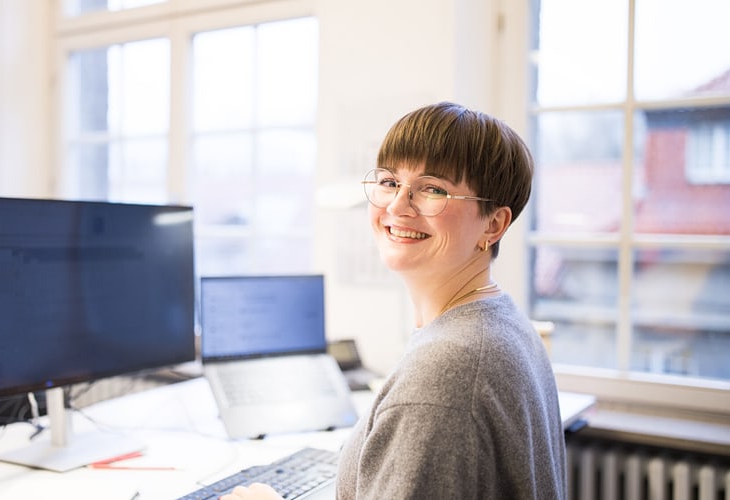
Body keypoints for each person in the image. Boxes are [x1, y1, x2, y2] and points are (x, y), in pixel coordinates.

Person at [221, 102, 566, 499]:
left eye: (433, 189)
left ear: (493, 224)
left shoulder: (445, 370)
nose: (397, 206)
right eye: (389, 182)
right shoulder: (500, 319)